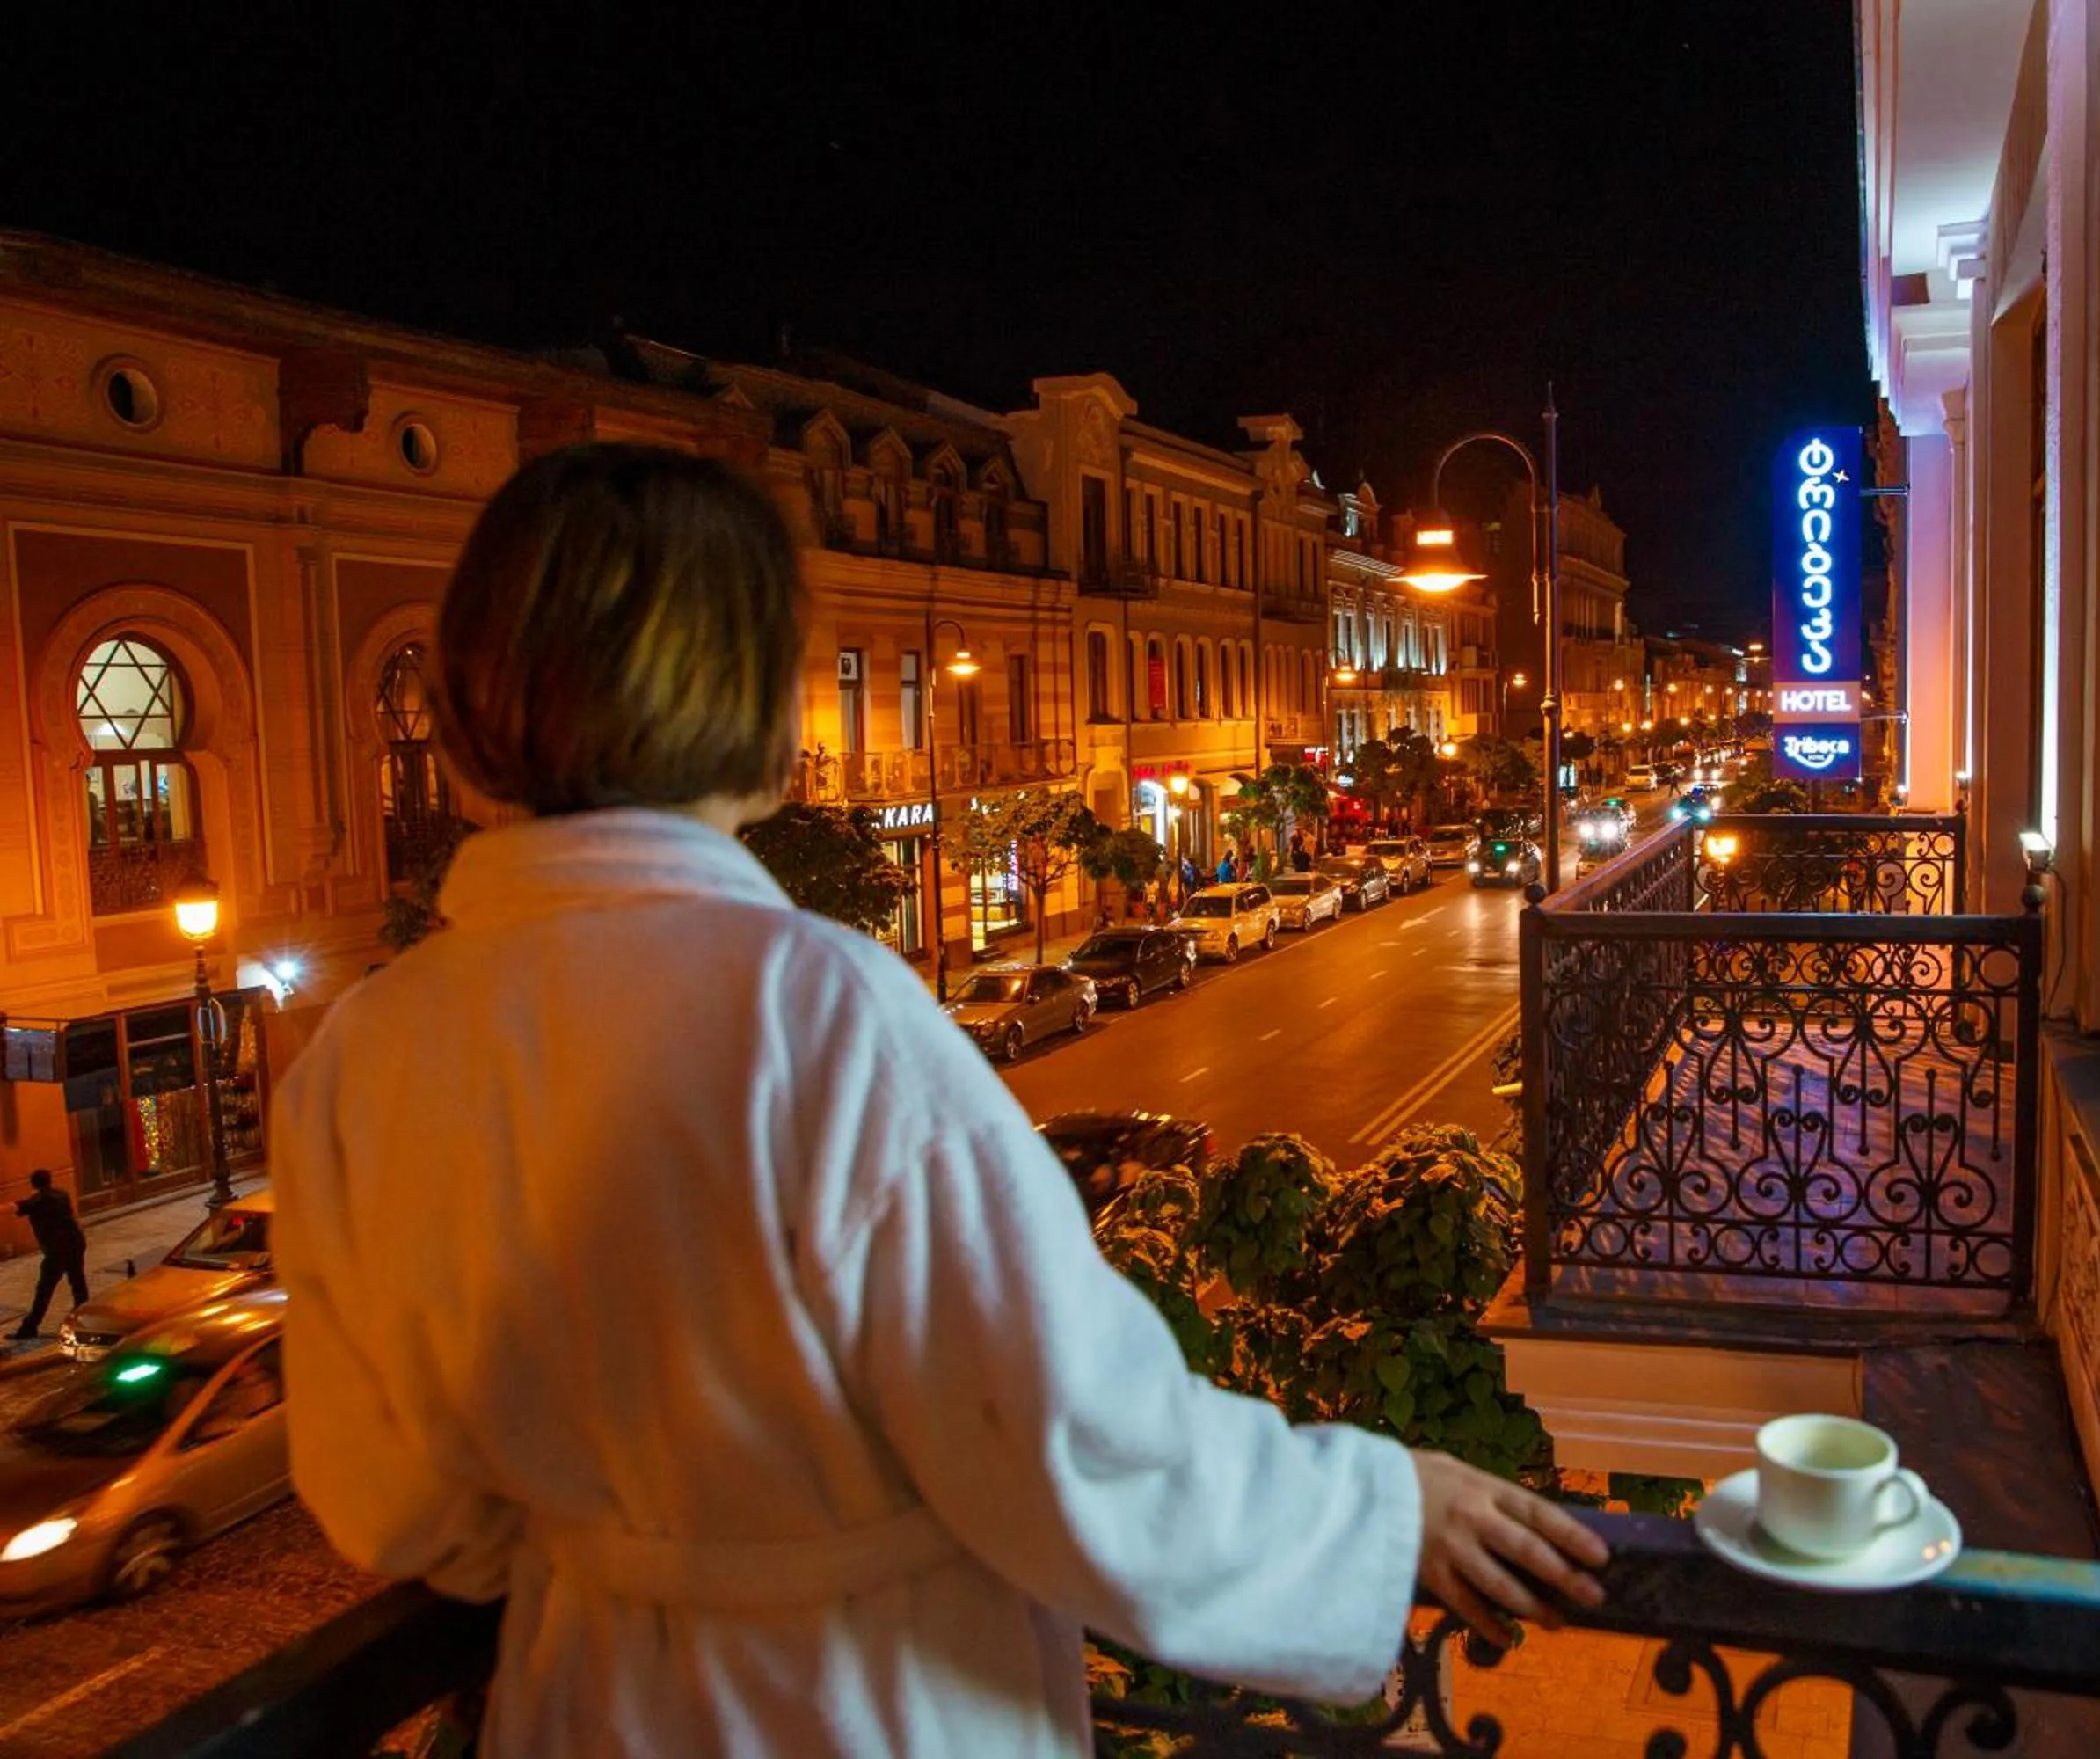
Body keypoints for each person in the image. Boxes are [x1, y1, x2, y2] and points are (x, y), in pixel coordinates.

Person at [273, 446, 1605, 1758]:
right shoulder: (813, 1008)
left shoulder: (370, 1045)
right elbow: (1056, 1431)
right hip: (858, 1704)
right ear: (747, 700)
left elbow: (387, 1501)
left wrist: (619, 1556)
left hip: (578, 1705)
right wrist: (1380, 1512)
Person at [11, 1170, 86, 1339]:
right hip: (75, 1242)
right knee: (78, 1284)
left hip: (56, 1251)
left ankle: (29, 1328)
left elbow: (14, 1208)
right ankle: (84, 1322)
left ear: (33, 1184)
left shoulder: (35, 1201)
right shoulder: (62, 1195)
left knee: (44, 1290)